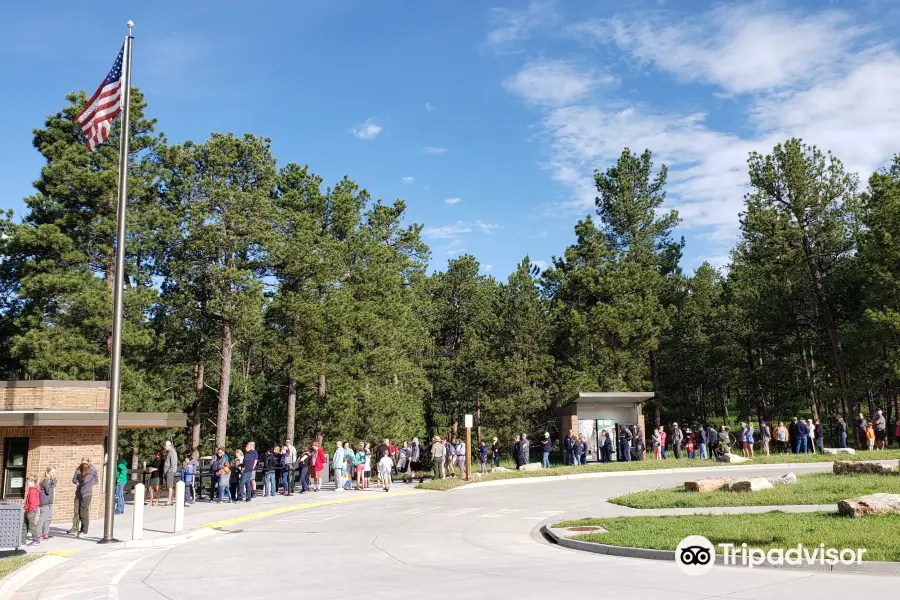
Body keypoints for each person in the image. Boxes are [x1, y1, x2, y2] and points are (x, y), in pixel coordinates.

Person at [68, 458, 96, 536]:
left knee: (84, 512)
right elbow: (74, 479)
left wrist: (88, 484)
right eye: (82, 462)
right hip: (79, 492)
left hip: (86, 493)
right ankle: (76, 528)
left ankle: (84, 531)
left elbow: (95, 480)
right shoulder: (78, 469)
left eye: (84, 463)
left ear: (88, 463)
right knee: (77, 511)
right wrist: (76, 481)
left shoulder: (91, 471)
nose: (83, 464)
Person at [39, 467, 56, 540]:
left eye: (54, 472)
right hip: (45, 502)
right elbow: (48, 491)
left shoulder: (50, 480)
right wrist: (53, 484)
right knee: (42, 519)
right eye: (52, 472)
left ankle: (45, 533)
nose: (53, 474)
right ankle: (38, 534)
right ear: (48, 472)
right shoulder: (46, 480)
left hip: (49, 502)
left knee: (48, 518)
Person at [22, 476, 40, 546]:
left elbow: (33, 502)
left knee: (31, 526)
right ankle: (22, 540)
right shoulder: (31, 489)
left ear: (32, 482)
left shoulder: (33, 491)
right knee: (24, 525)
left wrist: (29, 510)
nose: (26, 483)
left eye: (27, 481)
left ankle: (36, 540)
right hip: (29, 510)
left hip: (31, 511)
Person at [163, 441, 178, 507]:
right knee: (170, 486)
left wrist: (169, 471)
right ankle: (171, 500)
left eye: (165, 446)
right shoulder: (169, 452)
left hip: (170, 472)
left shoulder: (172, 452)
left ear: (168, 445)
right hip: (168, 472)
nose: (164, 447)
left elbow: (173, 463)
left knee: (170, 486)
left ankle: (169, 501)